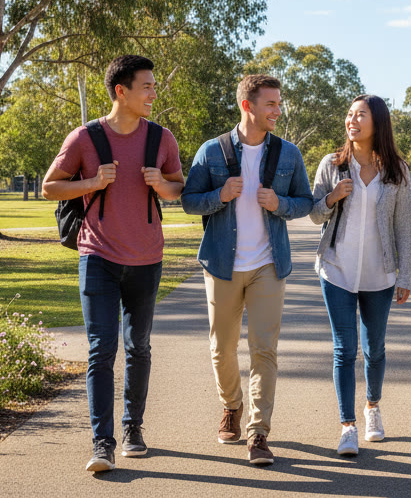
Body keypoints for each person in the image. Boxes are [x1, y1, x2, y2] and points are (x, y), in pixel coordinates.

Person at [42, 55, 185, 473]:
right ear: (121, 91)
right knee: (102, 350)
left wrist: (163, 184)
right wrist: (91, 183)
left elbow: (178, 187)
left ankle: (132, 428)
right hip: (98, 256)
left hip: (147, 257)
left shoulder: (162, 139)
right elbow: (51, 186)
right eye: (147, 86)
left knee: (139, 346)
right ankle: (101, 442)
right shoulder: (84, 138)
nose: (154, 93)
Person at [181, 74, 314, 467]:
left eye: (278, 103)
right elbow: (189, 201)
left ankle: (258, 433)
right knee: (222, 349)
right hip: (222, 264)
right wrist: (219, 196)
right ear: (247, 106)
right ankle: (231, 406)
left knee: (264, 350)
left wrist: (280, 204)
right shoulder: (212, 150)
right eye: (270, 104)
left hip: (268, 266)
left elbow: (305, 201)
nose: (277, 110)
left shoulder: (288, 154)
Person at [308, 95, 411, 457]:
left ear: (377, 122)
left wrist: (405, 276)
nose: (352, 120)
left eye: (361, 115)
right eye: (349, 114)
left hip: (379, 275)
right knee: (344, 349)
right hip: (336, 269)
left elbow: (404, 228)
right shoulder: (333, 164)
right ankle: (347, 426)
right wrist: (332, 197)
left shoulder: (397, 170)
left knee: (375, 349)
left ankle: (372, 407)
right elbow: (314, 215)